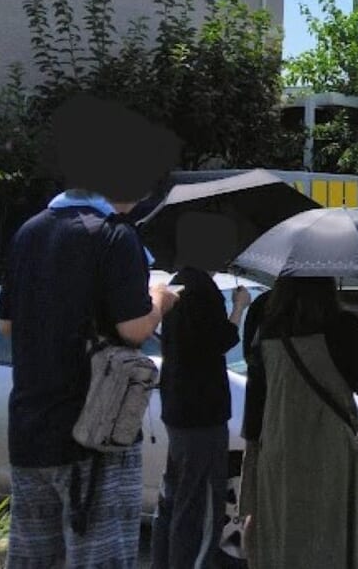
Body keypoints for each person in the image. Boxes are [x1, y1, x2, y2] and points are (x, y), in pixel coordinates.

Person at [0, 95, 180, 569]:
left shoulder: (30, 231)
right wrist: (160, 300)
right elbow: (134, 329)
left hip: (30, 429)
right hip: (95, 433)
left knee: (33, 559)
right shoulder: (114, 236)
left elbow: (7, 323)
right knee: (100, 559)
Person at [239, 276, 358, 568]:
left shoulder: (263, 320)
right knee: (331, 543)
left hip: (278, 450)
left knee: (283, 540)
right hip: (330, 452)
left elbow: (255, 400)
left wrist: (250, 475)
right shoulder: (342, 326)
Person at [151, 214, 251, 569]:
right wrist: (238, 307)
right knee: (202, 506)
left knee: (174, 497)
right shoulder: (201, 290)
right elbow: (219, 341)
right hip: (202, 414)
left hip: (177, 408)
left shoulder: (175, 285)